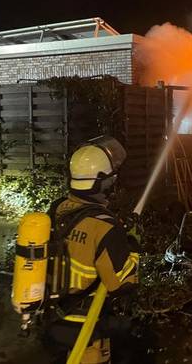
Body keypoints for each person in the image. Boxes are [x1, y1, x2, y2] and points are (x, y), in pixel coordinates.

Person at [44, 135, 139, 364]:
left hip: (52, 311)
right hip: (86, 323)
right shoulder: (105, 226)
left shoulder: (58, 209)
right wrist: (133, 247)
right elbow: (121, 284)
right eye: (111, 179)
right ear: (102, 182)